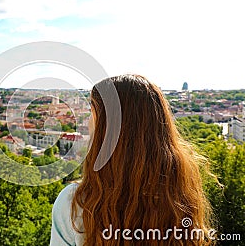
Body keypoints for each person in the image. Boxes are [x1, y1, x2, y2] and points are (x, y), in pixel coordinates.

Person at [50, 74, 214, 245]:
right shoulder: (179, 196)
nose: (87, 122)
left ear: (106, 128)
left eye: (92, 113)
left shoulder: (75, 203)